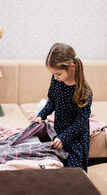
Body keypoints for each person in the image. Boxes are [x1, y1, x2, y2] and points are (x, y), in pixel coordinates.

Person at [35, 43, 93, 172]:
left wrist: (64, 137)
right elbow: (52, 102)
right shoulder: (56, 80)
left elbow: (81, 122)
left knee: (73, 173)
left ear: (71, 67)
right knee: (54, 168)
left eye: (58, 74)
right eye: (53, 74)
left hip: (76, 139)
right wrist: (41, 115)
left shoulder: (84, 91)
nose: (55, 77)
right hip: (58, 133)